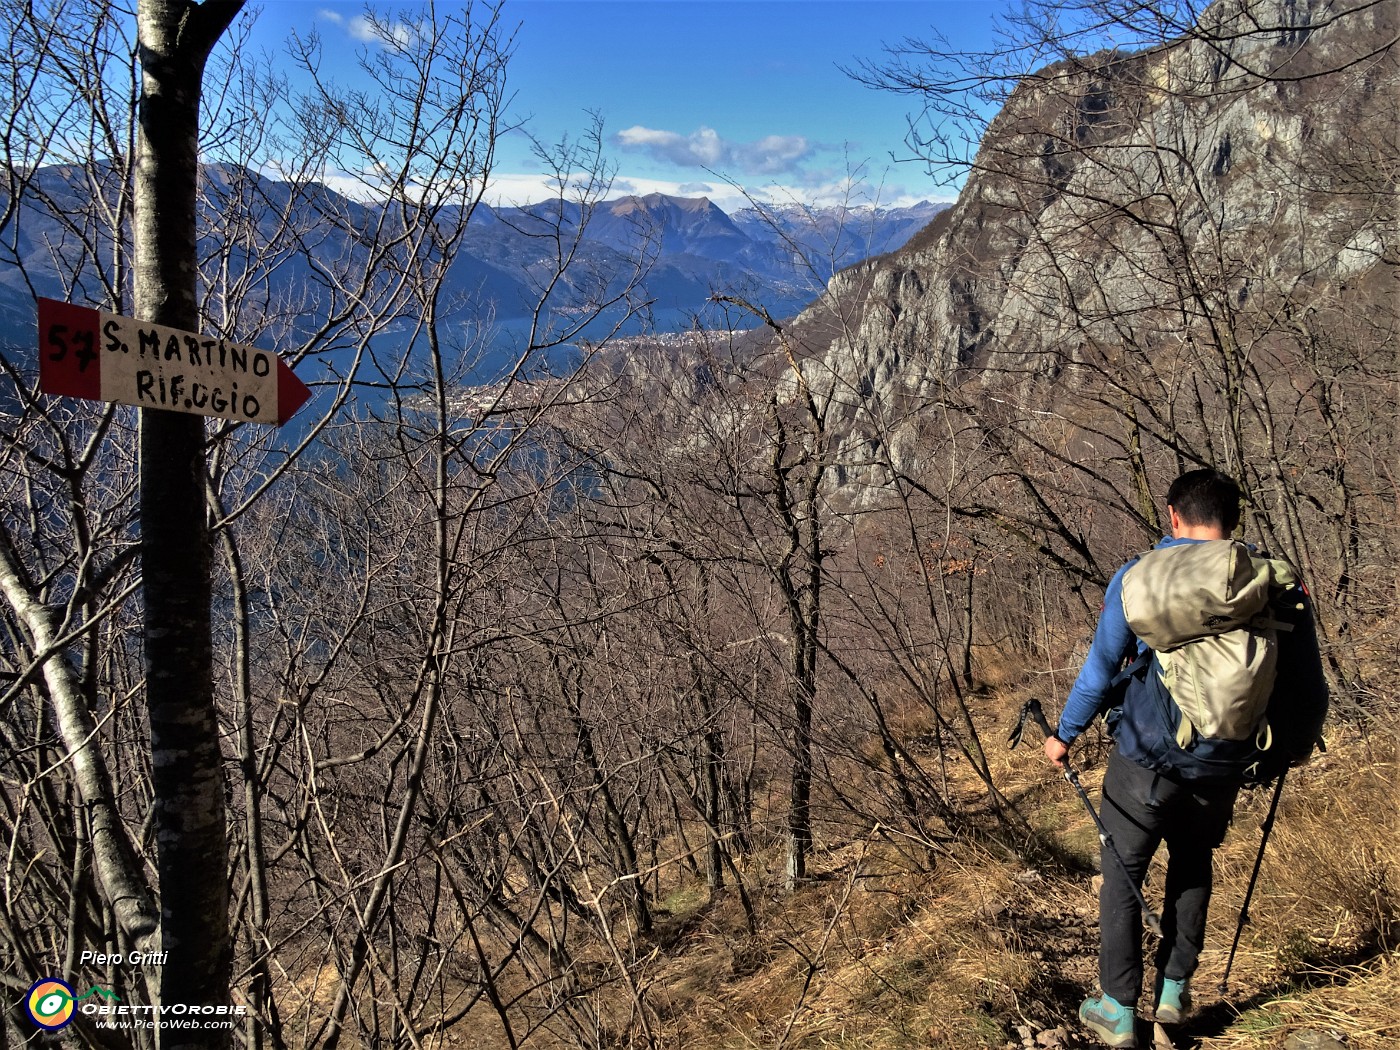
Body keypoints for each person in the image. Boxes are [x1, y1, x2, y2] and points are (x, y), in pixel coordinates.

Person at [1044, 469, 1248, 1049]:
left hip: (1144, 760)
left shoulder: (1140, 578)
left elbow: (1101, 668)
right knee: (1192, 863)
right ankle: (1174, 992)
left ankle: (1117, 1008)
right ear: (1234, 521)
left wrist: (1065, 734)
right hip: (1223, 762)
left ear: (1172, 515)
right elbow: (1308, 692)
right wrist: (1276, 753)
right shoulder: (1267, 581)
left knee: (1122, 871)